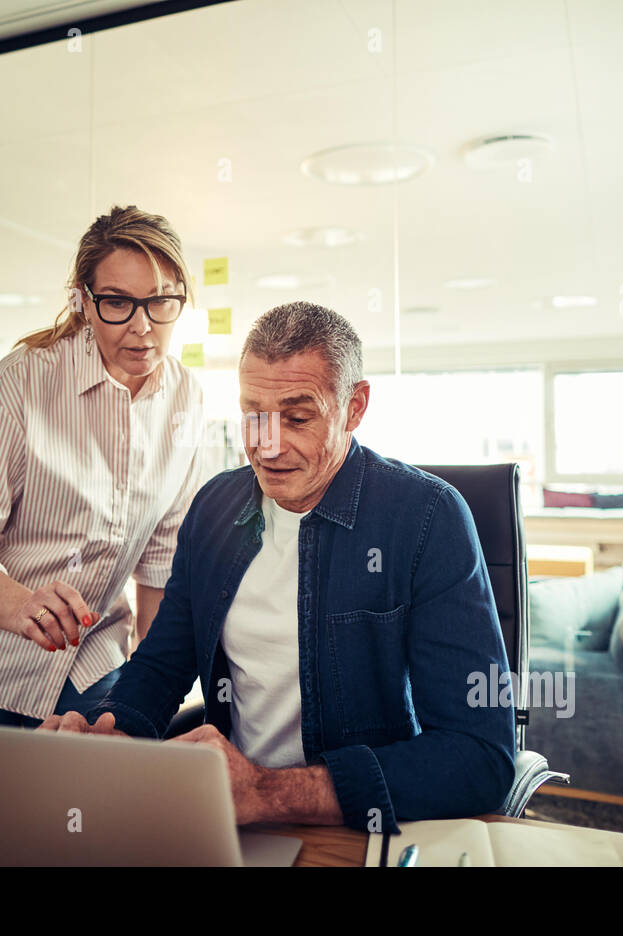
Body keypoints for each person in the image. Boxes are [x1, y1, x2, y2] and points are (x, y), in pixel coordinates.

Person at [40, 301, 516, 832]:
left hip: (361, 824)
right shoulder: (215, 507)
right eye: (254, 414)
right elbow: (161, 665)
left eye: (296, 417)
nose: (266, 446)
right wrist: (113, 733)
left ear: (354, 407)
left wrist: (269, 791)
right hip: (231, 818)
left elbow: (480, 756)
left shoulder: (428, 517)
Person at [0, 205, 206, 726]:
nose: (142, 327)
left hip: (92, 647)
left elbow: (161, 558)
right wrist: (24, 606)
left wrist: (152, 686)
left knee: (90, 794)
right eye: (116, 302)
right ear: (83, 302)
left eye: (160, 302)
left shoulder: (187, 399)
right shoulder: (20, 382)